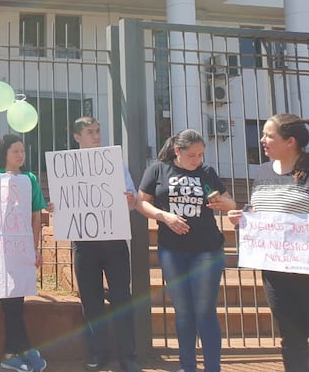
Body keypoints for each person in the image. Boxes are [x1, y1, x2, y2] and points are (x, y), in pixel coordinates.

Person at [135, 129, 235, 372]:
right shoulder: (158, 169)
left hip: (207, 249)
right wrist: (164, 216)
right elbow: (141, 202)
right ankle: (187, 366)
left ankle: (213, 367)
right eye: (192, 155)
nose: (197, 160)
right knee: (183, 311)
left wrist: (222, 204)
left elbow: (231, 203)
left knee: (205, 311)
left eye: (201, 154)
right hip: (172, 250)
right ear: (177, 151)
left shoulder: (207, 172)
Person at [228, 114, 309, 372]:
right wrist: (243, 216)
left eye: (268, 135)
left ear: (291, 142)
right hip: (276, 273)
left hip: (306, 269)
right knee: (291, 336)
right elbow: (259, 208)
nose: (261, 140)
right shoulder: (263, 171)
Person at [68, 117, 140, 372]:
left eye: (98, 131)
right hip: (84, 243)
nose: (96, 136)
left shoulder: (113, 162)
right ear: (77, 137)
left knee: (121, 297)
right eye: (90, 132)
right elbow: (63, 200)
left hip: (113, 240)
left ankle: (128, 356)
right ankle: (98, 353)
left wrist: (130, 198)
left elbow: (132, 197)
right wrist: (57, 206)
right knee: (91, 301)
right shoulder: (66, 166)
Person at [0, 134, 47, 372]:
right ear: (4, 154)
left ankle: (16, 351)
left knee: (16, 301)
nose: (21, 155)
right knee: (9, 301)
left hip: (20, 250)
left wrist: (35, 248)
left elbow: (36, 216)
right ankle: (20, 350)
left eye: (23, 151)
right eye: (15, 151)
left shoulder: (29, 179)